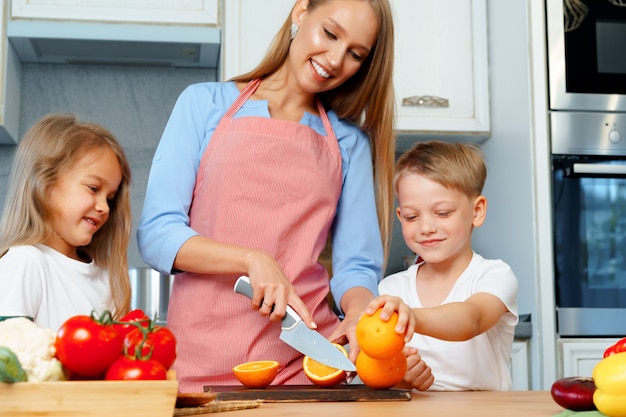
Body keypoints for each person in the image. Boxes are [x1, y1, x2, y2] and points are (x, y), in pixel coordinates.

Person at [137, 0, 396, 391]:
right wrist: (252, 260)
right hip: (199, 362)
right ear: (300, 13)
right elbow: (157, 236)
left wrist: (359, 312)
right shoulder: (203, 104)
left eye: (355, 54)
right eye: (330, 33)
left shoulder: (349, 144)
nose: (336, 59)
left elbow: (357, 267)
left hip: (303, 364)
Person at [367, 140, 519, 391]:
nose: (426, 227)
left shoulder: (494, 276)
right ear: (400, 217)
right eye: (412, 216)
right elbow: (384, 376)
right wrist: (401, 377)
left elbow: (473, 319)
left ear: (477, 211)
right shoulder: (391, 289)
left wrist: (411, 316)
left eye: (443, 213)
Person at [0, 113, 132, 331]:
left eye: (110, 198)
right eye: (93, 188)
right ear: (46, 183)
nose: (105, 207)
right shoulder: (27, 262)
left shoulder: (107, 278)